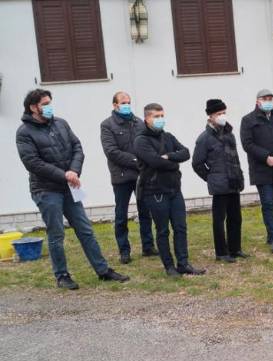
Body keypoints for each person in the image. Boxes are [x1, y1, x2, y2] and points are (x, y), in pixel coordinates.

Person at [16, 88, 129, 289]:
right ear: (33, 107)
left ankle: (102, 270)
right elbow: (33, 163)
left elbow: (77, 147)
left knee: (85, 229)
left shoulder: (61, 123)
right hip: (46, 190)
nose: (49, 107)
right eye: (45, 104)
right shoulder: (24, 132)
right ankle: (62, 276)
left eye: (50, 102)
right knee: (56, 233)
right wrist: (64, 174)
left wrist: (73, 171)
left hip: (70, 186)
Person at [135, 103, 205, 277]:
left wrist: (169, 157)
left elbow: (186, 153)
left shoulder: (168, 137)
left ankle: (183, 263)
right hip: (155, 191)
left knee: (180, 227)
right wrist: (173, 163)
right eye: (156, 116)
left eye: (161, 116)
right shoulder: (141, 140)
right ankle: (169, 267)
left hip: (174, 189)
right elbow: (154, 162)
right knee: (163, 230)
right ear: (147, 119)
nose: (160, 119)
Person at [100, 91, 157, 264]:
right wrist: (136, 161)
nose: (127, 105)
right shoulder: (107, 125)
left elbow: (147, 144)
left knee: (145, 211)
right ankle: (124, 250)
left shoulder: (138, 122)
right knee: (121, 214)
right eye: (123, 103)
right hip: (122, 176)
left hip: (141, 175)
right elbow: (111, 151)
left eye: (129, 102)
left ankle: (148, 246)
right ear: (115, 105)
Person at [240, 89, 273, 254]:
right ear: (258, 101)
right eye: (265, 98)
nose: (268, 101)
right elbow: (247, 144)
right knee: (268, 203)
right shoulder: (248, 120)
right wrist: (266, 157)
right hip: (261, 170)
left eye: (270, 98)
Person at [192, 99, 247, 263]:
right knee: (219, 219)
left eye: (224, 113)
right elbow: (197, 163)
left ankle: (235, 249)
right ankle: (221, 252)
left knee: (235, 217)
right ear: (210, 117)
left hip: (233, 181)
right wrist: (210, 177)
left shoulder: (229, 133)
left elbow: (235, 158)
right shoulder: (204, 138)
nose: (222, 116)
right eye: (218, 113)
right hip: (219, 184)